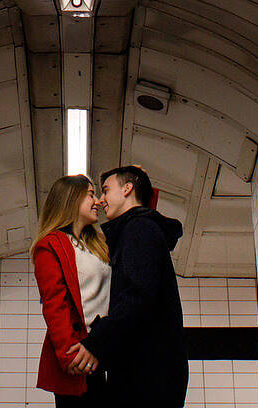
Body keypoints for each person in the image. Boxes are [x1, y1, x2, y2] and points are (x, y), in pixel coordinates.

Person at [69, 165, 187, 408]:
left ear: (127, 189)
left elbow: (137, 297)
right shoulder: (139, 229)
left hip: (147, 373)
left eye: (105, 191)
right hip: (152, 369)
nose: (101, 201)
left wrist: (95, 342)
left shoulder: (139, 229)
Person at [32, 175, 113, 407]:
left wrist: (141, 186)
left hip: (106, 347)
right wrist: (71, 357)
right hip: (81, 355)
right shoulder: (50, 245)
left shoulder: (98, 242)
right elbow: (54, 304)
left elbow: (137, 234)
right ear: (71, 199)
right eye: (90, 195)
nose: (97, 201)